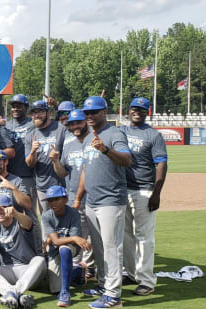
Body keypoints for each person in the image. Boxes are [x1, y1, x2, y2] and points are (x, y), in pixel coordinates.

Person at [74, 96, 131, 308]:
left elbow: (127, 160)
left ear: (104, 112)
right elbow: (86, 170)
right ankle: (103, 284)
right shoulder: (89, 136)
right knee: (98, 248)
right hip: (93, 200)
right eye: (87, 113)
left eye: (94, 112)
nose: (89, 116)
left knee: (111, 247)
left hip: (111, 199)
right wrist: (79, 198)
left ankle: (114, 295)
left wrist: (106, 149)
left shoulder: (115, 133)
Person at [119, 97, 168, 296]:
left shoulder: (153, 135)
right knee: (126, 236)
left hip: (144, 189)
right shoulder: (121, 131)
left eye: (141, 109)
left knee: (144, 237)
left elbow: (162, 164)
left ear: (147, 112)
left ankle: (147, 280)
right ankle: (132, 274)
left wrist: (156, 193)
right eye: (134, 108)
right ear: (128, 111)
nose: (136, 112)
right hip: (123, 189)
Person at [50, 109, 96, 278]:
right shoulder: (69, 145)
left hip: (93, 196)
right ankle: (79, 268)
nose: (75, 126)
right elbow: (62, 173)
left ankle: (90, 267)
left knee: (95, 236)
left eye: (79, 122)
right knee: (78, 234)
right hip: (73, 196)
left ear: (86, 122)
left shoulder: (93, 141)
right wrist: (55, 161)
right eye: (72, 124)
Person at [0, 195, 45, 309]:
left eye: (3, 208)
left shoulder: (19, 220)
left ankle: (12, 292)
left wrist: (15, 213)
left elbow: (28, 223)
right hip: (8, 270)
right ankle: (16, 294)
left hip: (27, 271)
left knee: (39, 260)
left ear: (10, 208)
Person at [41, 185, 90, 307]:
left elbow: (72, 243)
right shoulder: (46, 216)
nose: (53, 203)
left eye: (56, 199)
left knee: (64, 249)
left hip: (70, 248)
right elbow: (56, 241)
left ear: (65, 199)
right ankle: (78, 271)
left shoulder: (73, 213)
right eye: (50, 200)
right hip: (54, 250)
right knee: (54, 288)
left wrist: (73, 240)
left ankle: (65, 293)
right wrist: (74, 237)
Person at [24, 100, 67, 216]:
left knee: (64, 222)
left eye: (40, 112)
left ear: (48, 113)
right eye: (33, 113)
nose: (36, 115)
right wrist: (33, 152)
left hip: (62, 185)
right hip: (42, 187)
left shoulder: (61, 129)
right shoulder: (30, 135)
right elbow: (30, 164)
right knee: (47, 222)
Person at [5, 94, 37, 219]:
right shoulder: (7, 125)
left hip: (27, 174)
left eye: (19, 106)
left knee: (30, 212)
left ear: (26, 107)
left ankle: (36, 239)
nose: (15, 109)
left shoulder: (33, 124)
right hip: (10, 175)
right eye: (13, 106)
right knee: (11, 210)